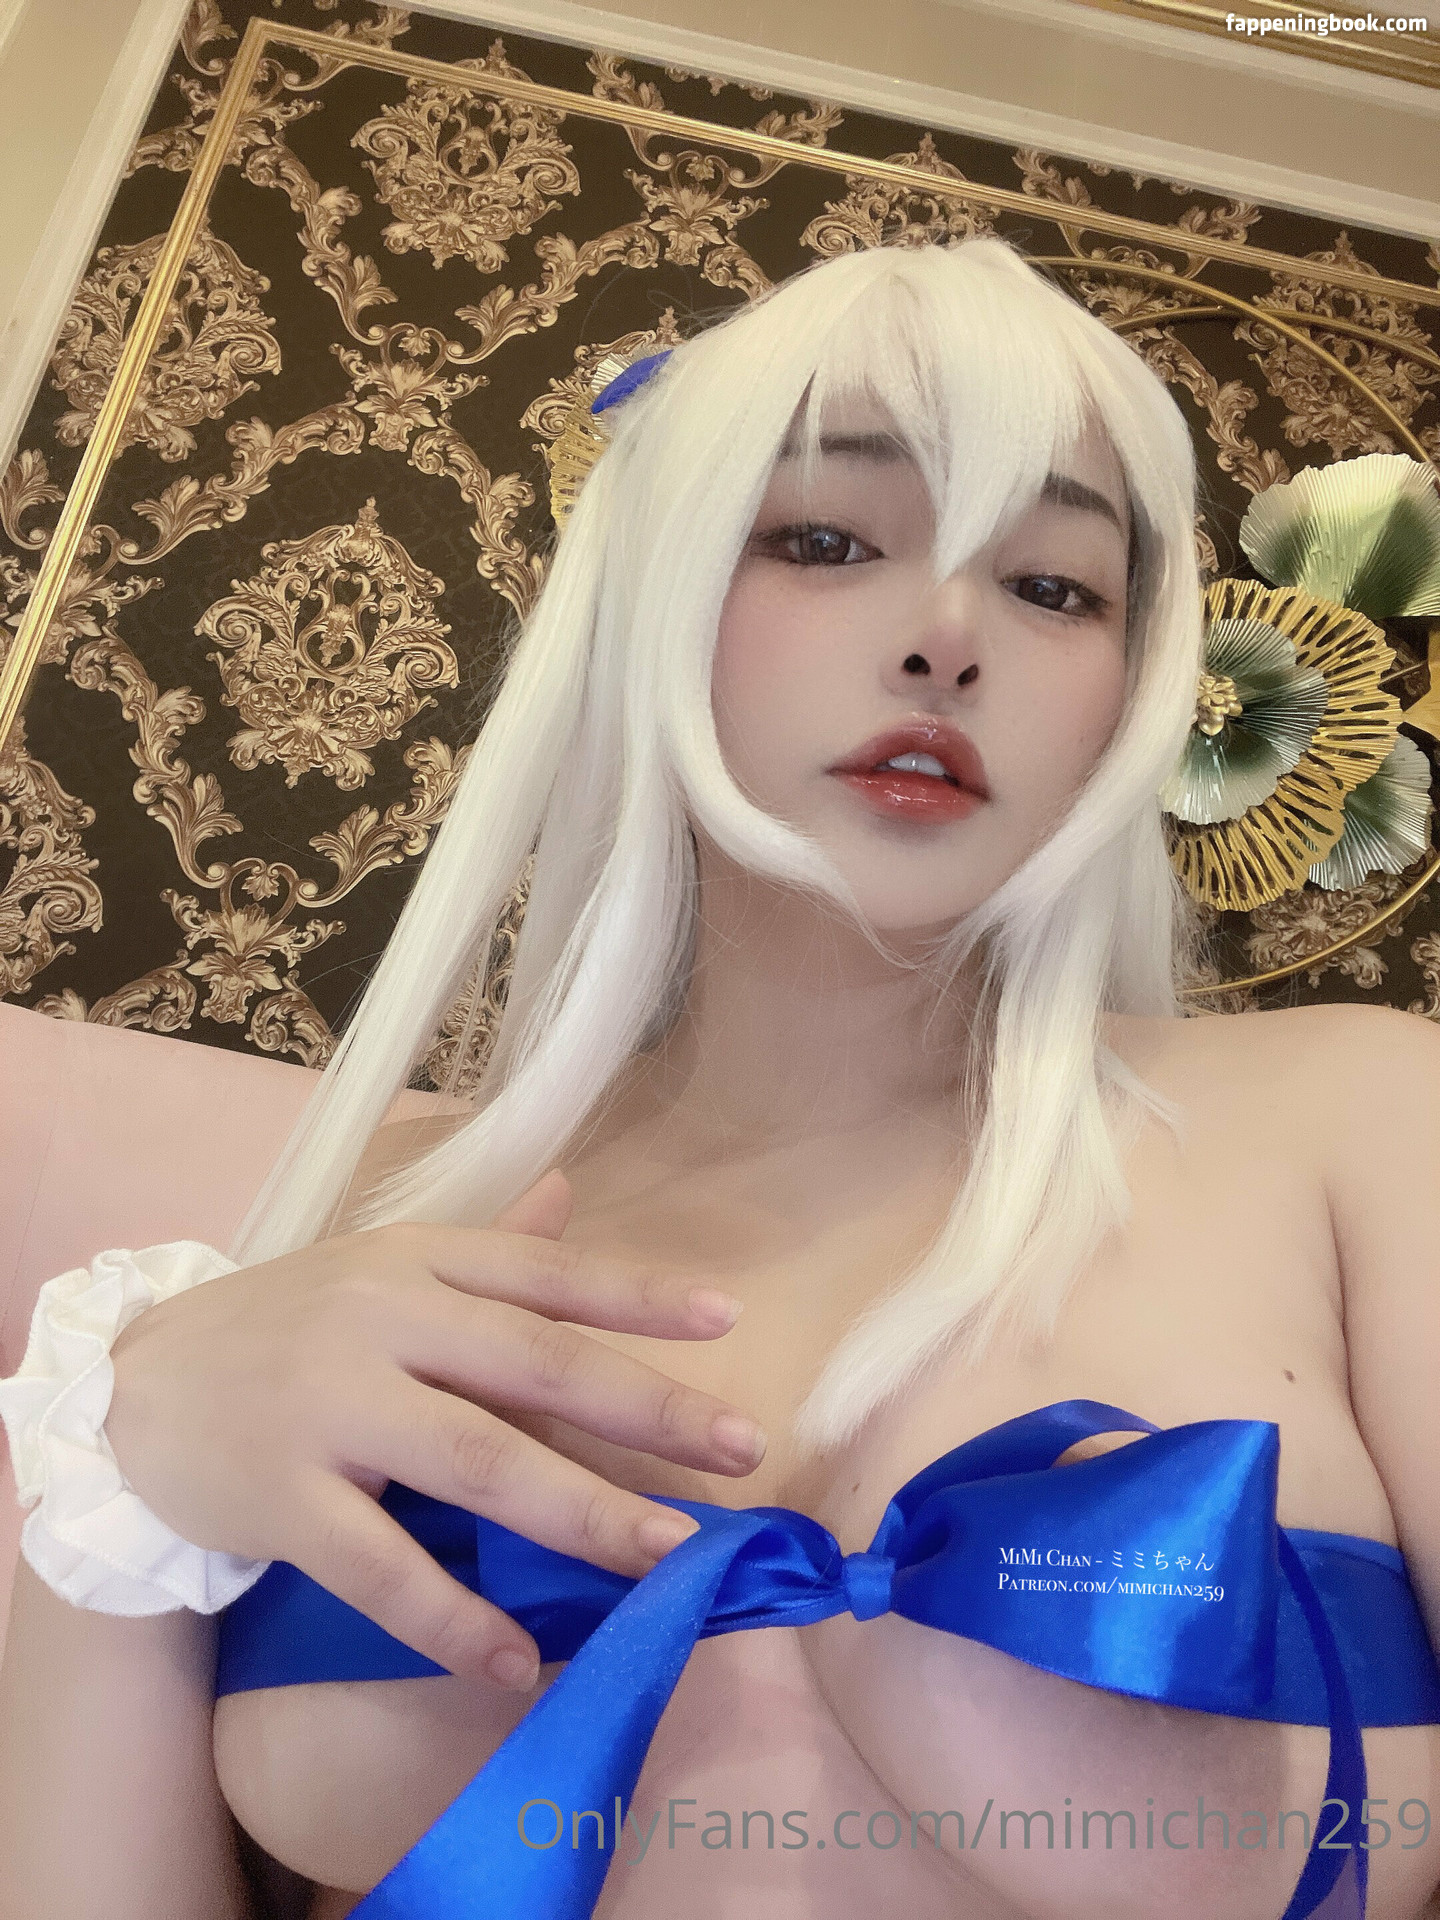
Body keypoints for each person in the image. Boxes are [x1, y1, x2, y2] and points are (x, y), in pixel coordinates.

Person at [1, 237, 1437, 1920]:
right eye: (825, 541)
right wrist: (109, 1479)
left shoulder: (1361, 1125)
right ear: (653, 593)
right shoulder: (339, 1241)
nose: (947, 637)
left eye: (1054, 587)